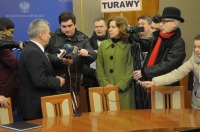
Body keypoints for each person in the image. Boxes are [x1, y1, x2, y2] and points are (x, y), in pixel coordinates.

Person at [133, 7, 186, 109]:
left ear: (174, 23)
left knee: (166, 120)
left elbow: (168, 65)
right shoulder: (160, 37)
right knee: (152, 119)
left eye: (165, 22)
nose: (161, 24)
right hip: (153, 84)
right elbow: (149, 53)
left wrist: (145, 72)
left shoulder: (178, 42)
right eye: (161, 21)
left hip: (168, 88)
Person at [18, 19, 65, 120]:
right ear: (41, 35)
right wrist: (57, 81)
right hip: (35, 108)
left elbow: (37, 74)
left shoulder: (32, 49)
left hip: (37, 105)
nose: (50, 36)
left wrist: (52, 77)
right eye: (48, 33)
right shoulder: (33, 52)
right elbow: (40, 80)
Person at [46, 11, 96, 97]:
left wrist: (87, 52)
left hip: (74, 81)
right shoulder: (52, 37)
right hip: (55, 80)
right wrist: (59, 60)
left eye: (70, 26)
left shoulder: (83, 38)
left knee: (72, 109)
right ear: (60, 25)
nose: (67, 29)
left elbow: (93, 56)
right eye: (64, 26)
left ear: (75, 24)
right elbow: (43, 55)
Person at [144, 34, 200, 109]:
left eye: (199, 47)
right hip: (197, 99)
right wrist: (155, 82)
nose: (196, 50)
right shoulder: (193, 60)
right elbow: (176, 74)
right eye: (195, 47)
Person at [96, 16, 135, 110]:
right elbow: (99, 67)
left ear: (121, 28)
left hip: (125, 91)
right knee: (109, 119)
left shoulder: (129, 46)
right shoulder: (103, 45)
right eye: (109, 27)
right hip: (107, 90)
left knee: (126, 119)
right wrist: (105, 84)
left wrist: (120, 85)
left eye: (113, 27)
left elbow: (131, 68)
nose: (110, 29)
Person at [82, 17, 108, 111]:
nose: (99, 29)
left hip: (109, 80)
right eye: (96, 27)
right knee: (94, 111)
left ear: (106, 27)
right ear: (93, 28)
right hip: (92, 81)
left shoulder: (113, 41)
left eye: (101, 26)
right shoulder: (86, 43)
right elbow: (81, 65)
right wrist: (94, 73)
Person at [0, 17, 22, 109]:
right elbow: (15, 64)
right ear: (3, 31)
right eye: (11, 32)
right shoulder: (3, 49)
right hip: (3, 95)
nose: (12, 35)